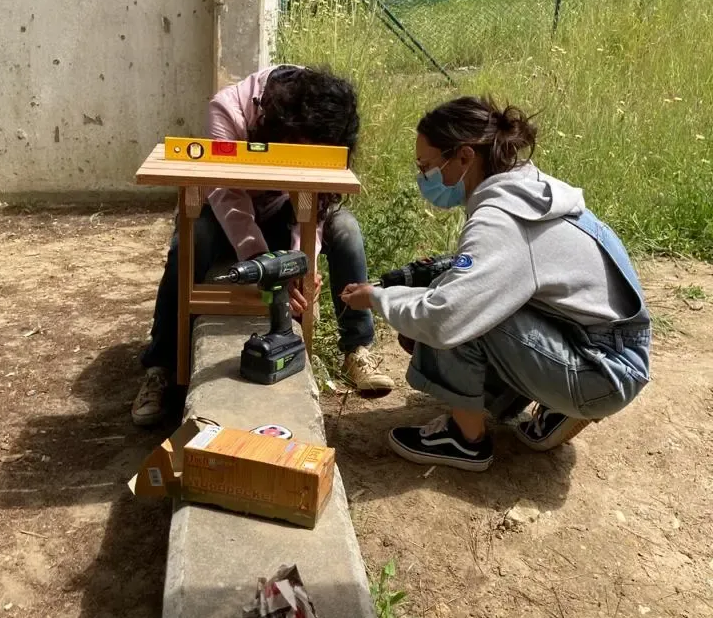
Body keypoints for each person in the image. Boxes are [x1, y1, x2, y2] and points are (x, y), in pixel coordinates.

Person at [341, 95, 651, 472]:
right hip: (611, 351)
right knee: (464, 292)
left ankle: (465, 440)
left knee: (458, 313)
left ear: (464, 157)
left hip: (602, 372)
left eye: (426, 166)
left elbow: (447, 317)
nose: (423, 177)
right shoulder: (530, 190)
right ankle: (556, 406)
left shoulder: (500, 219)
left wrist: (378, 298)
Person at [132, 65, 394, 426]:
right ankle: (161, 365)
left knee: (346, 228)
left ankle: (357, 348)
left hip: (281, 211)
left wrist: (300, 263)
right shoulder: (228, 111)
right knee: (191, 240)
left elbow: (317, 198)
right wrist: (261, 261)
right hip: (222, 211)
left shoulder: (324, 114)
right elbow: (227, 194)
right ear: (281, 126)